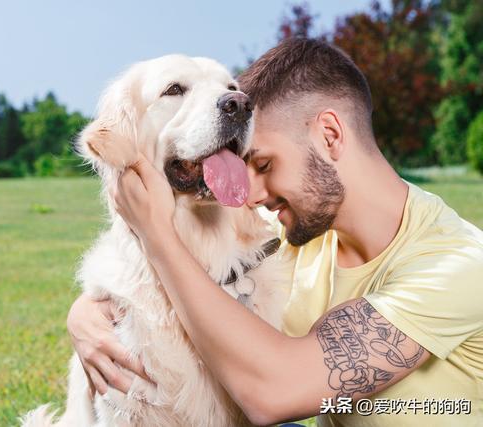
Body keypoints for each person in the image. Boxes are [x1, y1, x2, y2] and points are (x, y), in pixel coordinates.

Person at [66, 38, 483, 426]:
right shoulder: (290, 237)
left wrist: (156, 236)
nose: (250, 195)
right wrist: (87, 313)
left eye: (263, 166)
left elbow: (274, 393)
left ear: (330, 135)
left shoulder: (461, 265)